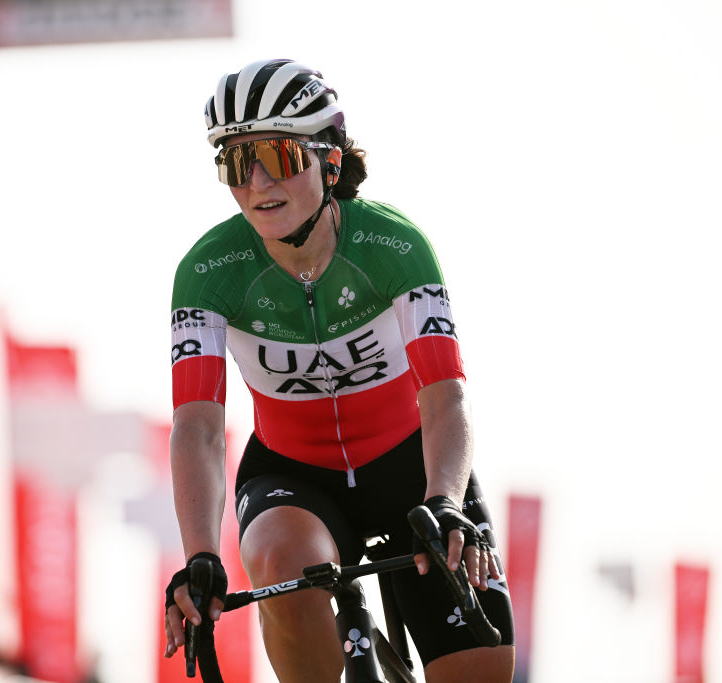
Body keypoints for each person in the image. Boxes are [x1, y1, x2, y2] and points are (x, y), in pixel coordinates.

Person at [164, 58, 515, 682]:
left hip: (413, 469)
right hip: (294, 480)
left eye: (277, 154)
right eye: (237, 162)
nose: (258, 182)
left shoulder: (396, 247)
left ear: (329, 159)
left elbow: (444, 398)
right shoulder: (207, 273)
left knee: (481, 671)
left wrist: (444, 499)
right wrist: (199, 553)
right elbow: (198, 428)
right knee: (278, 561)